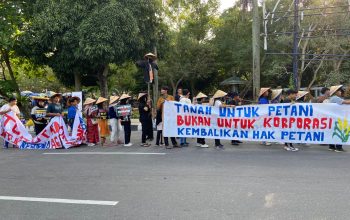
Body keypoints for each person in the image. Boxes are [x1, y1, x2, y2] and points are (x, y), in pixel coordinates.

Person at [328, 85, 350, 152]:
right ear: (336, 92)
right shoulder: (335, 98)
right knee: (339, 131)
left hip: (333, 117)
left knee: (332, 132)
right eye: (339, 91)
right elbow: (346, 102)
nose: (341, 92)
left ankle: (332, 146)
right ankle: (338, 147)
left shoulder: (333, 98)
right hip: (337, 118)